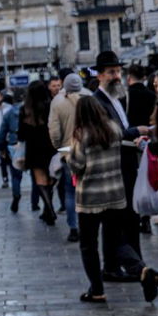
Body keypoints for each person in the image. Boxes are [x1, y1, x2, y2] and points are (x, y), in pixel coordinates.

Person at [66, 96, 156, 304]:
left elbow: (77, 166)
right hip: (115, 194)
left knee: (88, 245)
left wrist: (68, 156)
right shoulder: (114, 130)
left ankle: (96, 290)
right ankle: (141, 269)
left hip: (90, 198)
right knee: (117, 241)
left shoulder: (81, 135)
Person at [94, 51, 148, 280]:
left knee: (125, 218)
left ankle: (124, 265)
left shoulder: (116, 99)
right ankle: (123, 266)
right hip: (115, 168)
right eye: (111, 72)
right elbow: (109, 134)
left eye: (118, 71)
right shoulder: (98, 102)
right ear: (100, 76)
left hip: (126, 165)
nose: (116, 76)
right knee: (119, 219)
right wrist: (137, 131)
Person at [50, 72, 85, 242]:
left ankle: (74, 227)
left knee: (70, 192)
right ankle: (88, 223)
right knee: (86, 188)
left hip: (68, 151)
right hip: (88, 150)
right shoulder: (90, 97)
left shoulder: (57, 102)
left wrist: (58, 147)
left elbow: (54, 131)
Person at [20, 80, 57, 226]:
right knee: (50, 179)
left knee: (40, 180)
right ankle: (49, 210)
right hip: (49, 146)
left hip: (33, 148)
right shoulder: (50, 107)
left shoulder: (25, 110)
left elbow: (21, 134)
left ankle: (49, 209)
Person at [127, 65, 157, 234]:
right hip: (149, 142)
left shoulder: (126, 97)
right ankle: (145, 218)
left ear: (129, 77)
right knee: (146, 178)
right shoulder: (151, 95)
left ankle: (136, 213)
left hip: (130, 142)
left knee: (134, 179)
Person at [0, 94, 25, 212]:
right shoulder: (30, 112)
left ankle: (16, 195)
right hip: (30, 145)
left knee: (16, 175)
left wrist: (0, 147)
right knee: (36, 175)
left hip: (14, 145)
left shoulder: (8, 114)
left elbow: (2, 133)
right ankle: (36, 201)